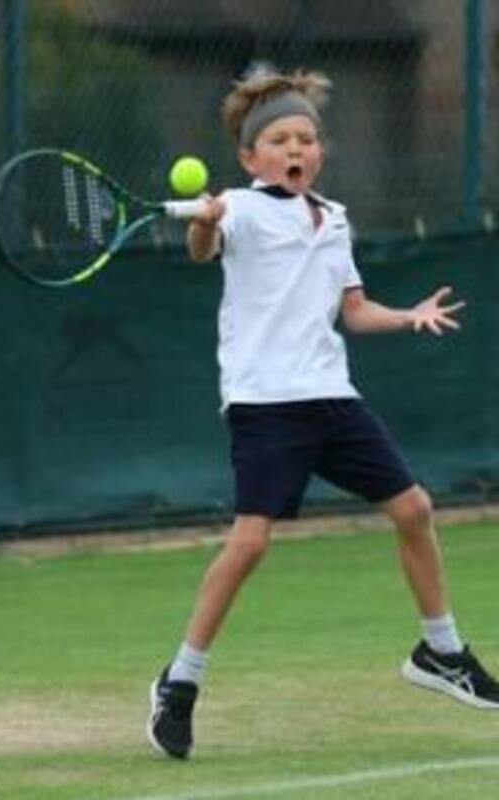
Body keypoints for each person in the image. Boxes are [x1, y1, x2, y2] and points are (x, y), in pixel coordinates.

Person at [147, 68, 499, 761]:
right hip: (265, 404)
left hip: (333, 400)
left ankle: (440, 651)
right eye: (279, 139)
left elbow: (354, 311)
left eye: (306, 138)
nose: (295, 148)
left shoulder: (333, 218)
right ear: (250, 156)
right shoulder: (239, 209)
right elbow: (201, 251)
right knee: (250, 544)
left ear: (319, 152)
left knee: (414, 509)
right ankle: (179, 682)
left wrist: (409, 315)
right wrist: (207, 222)